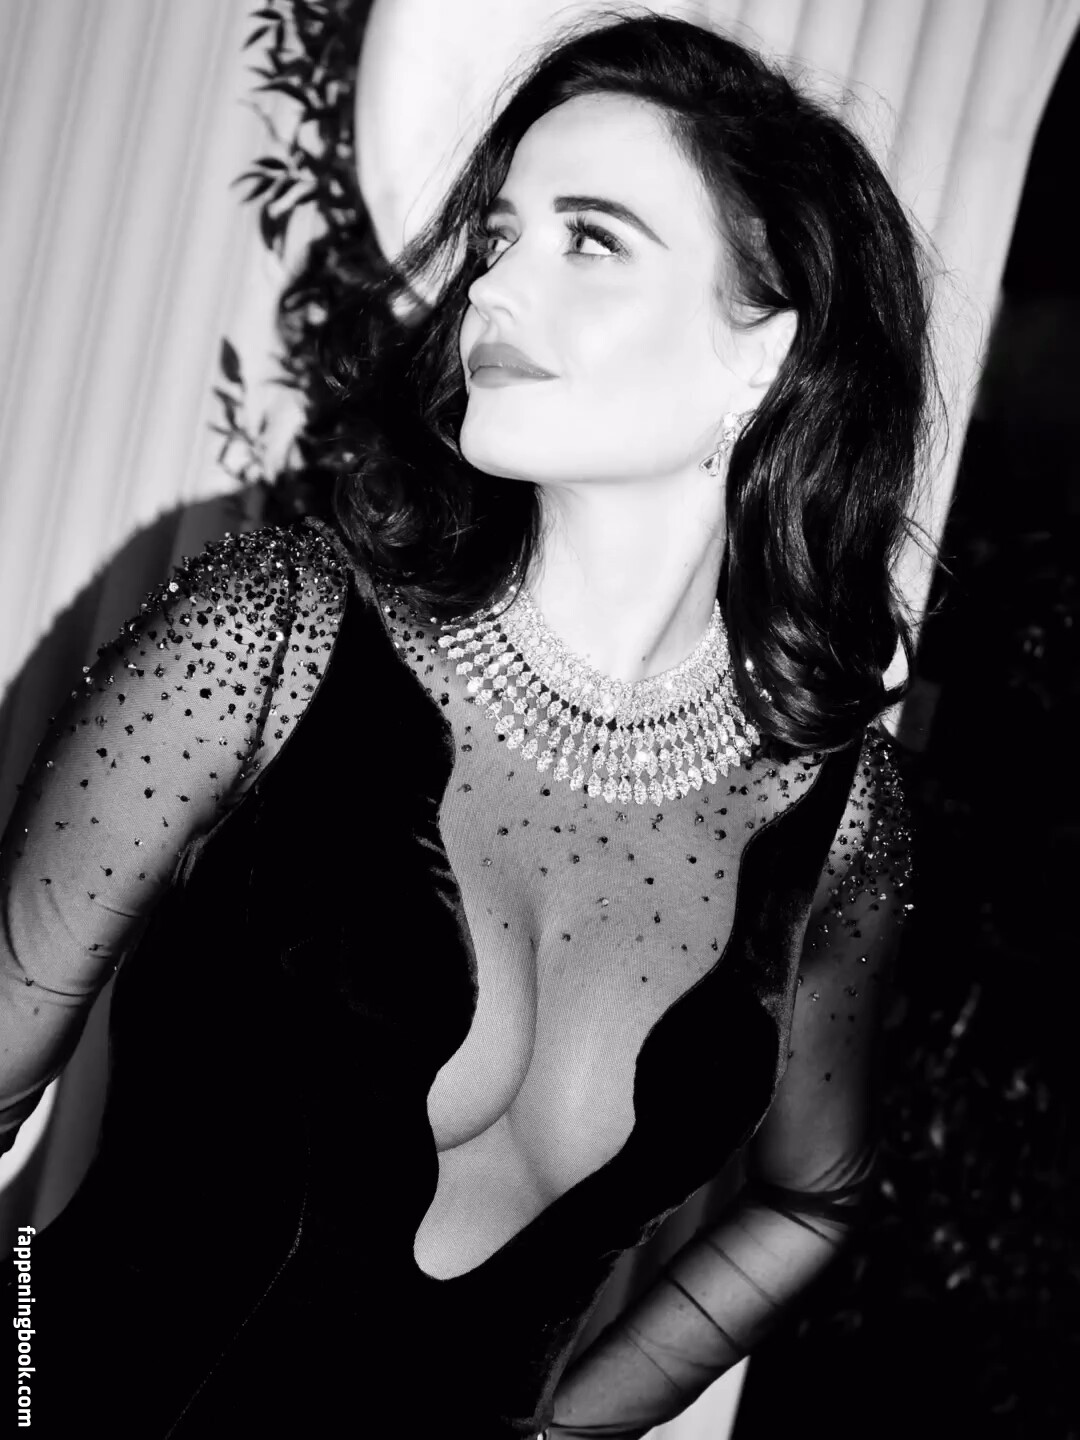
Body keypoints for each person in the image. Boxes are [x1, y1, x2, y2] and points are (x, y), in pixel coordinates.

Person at [0, 12, 934, 1438]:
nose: (494, 284)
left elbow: (819, 1197)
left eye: (591, 238)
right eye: (499, 235)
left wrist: (560, 1432)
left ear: (766, 351)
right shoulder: (274, 636)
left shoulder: (836, 819)